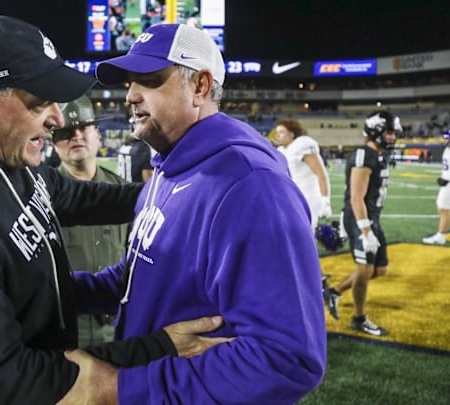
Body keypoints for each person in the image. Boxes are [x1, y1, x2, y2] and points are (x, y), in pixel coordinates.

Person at [0, 15, 228, 405]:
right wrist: (158, 349)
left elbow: (81, 198)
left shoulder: (3, 159)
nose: (58, 119)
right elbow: (4, 380)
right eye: (39, 103)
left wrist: (178, 192)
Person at [59, 23, 326, 404]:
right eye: (130, 82)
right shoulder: (168, 168)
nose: (131, 95)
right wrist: (52, 291)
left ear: (200, 87)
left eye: (149, 80)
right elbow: (139, 278)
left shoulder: (251, 186)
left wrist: (119, 387)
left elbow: (287, 359)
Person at [52, 95, 128, 346]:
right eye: (66, 132)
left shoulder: (122, 192)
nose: (76, 136)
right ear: (53, 142)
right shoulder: (39, 196)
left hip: (117, 332)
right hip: (65, 333)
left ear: (98, 134)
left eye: (83, 128)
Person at [323, 110, 401, 336]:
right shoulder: (363, 155)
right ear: (375, 132)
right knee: (365, 269)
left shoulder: (379, 155)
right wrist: (365, 230)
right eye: (388, 133)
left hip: (371, 218)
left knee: (379, 269)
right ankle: (358, 318)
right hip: (360, 218)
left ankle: (334, 292)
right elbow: (356, 197)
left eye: (394, 133)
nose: (393, 138)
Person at [274, 118, 332, 229]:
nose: (277, 135)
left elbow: (321, 173)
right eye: (277, 132)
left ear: (291, 134)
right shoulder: (281, 150)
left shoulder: (302, 144)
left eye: (281, 132)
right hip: (291, 197)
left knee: (306, 234)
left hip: (308, 198)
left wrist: (326, 200)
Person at [422, 130, 450, 245]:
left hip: (448, 183)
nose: (446, 139)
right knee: (442, 208)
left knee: (444, 208)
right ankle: (441, 234)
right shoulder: (447, 149)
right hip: (447, 183)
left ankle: (441, 235)